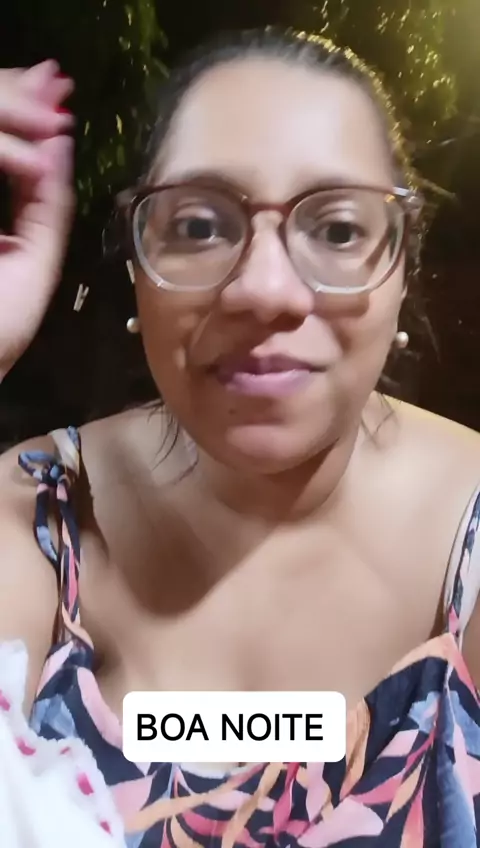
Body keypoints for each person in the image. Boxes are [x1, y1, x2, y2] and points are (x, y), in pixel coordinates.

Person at [1, 27, 480, 847]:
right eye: (199, 226)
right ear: (136, 265)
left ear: (403, 266)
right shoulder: (43, 515)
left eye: (337, 230)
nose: (265, 290)